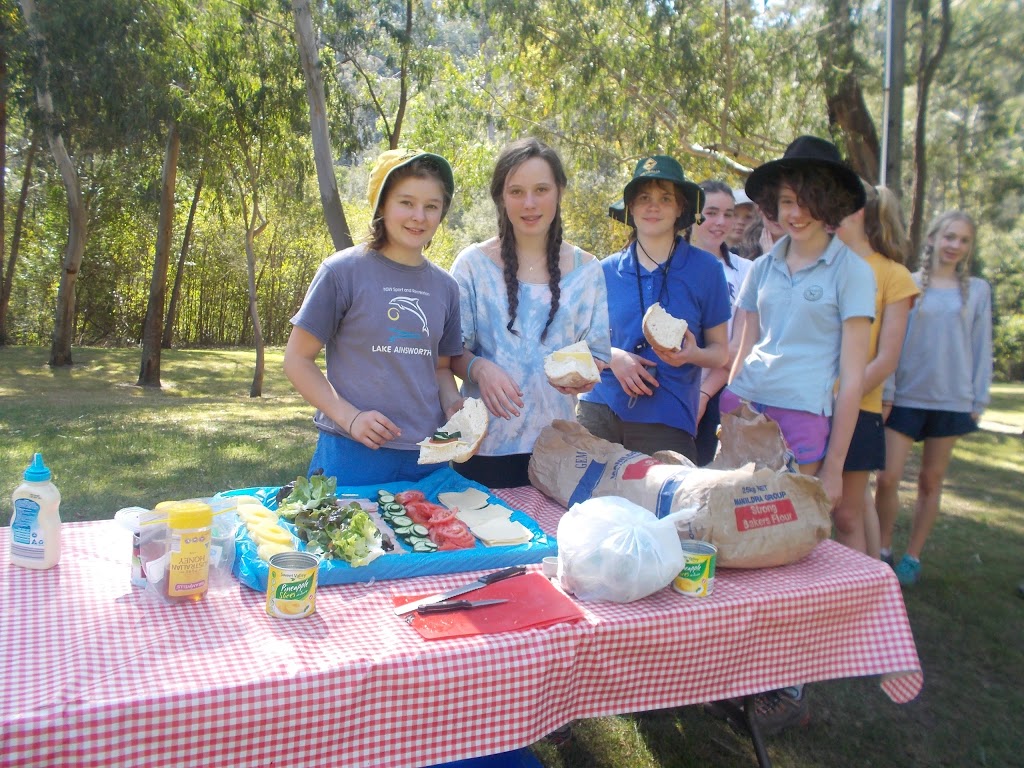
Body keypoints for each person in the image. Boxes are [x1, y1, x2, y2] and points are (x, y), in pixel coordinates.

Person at [717, 136, 875, 734]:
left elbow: (854, 375)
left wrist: (835, 465)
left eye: (807, 198)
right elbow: (745, 346)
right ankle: (733, 670)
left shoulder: (852, 273)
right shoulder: (761, 265)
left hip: (806, 423)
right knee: (736, 540)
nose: (794, 211)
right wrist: (730, 411)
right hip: (747, 411)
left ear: (830, 202)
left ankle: (788, 686)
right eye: (785, 199)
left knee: (790, 554)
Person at [284, 149, 464, 487]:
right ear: (382, 205)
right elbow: (297, 360)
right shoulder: (342, 272)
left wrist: (453, 404)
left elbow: (440, 367)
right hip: (351, 452)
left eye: (431, 206)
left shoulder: (446, 287)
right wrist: (350, 419)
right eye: (406, 202)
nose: (419, 217)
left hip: (428, 459)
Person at [448, 138, 611, 488]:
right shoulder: (472, 266)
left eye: (541, 189)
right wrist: (480, 368)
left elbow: (596, 354)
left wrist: (584, 373)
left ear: (559, 192)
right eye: (516, 191)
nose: (530, 203)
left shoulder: (588, 270)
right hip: (482, 450)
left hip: (559, 452)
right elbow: (448, 353)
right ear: (501, 197)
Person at [578, 155, 731, 463]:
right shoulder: (602, 271)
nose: (653, 206)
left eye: (665, 198)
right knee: (590, 507)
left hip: (667, 419)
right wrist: (613, 358)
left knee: (659, 509)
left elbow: (720, 353)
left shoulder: (706, 270)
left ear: (680, 209)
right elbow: (575, 342)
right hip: (599, 413)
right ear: (630, 208)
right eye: (643, 198)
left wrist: (692, 355)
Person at [874, 210, 992, 585]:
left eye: (963, 240)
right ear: (933, 239)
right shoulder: (907, 283)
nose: (955, 245)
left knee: (930, 480)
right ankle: (883, 548)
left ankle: (912, 556)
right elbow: (891, 343)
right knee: (889, 477)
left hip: (952, 400)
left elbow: (980, 346)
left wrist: (978, 401)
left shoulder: (977, 290)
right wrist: (887, 390)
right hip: (906, 396)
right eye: (949, 237)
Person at [834, 183, 919, 555]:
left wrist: (842, 397)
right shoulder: (822, 266)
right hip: (808, 408)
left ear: (857, 213)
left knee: (848, 517)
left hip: (859, 412)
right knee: (811, 514)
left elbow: (886, 358)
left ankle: (869, 602)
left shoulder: (893, 275)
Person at [689, 180, 753, 466]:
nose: (721, 222)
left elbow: (738, 346)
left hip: (717, 396)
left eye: (729, 214)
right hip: (667, 392)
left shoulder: (746, 271)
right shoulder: (666, 261)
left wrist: (703, 395)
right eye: (711, 212)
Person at [726, 188, 759, 252]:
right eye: (734, 215)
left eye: (748, 217)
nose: (740, 222)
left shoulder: (761, 256)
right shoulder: (708, 253)